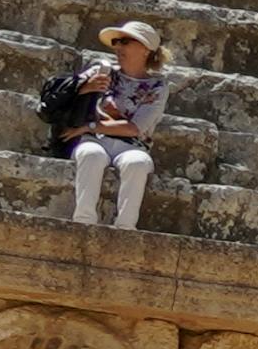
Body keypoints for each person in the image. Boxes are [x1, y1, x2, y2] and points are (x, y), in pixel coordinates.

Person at [47, 19, 171, 230]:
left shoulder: (158, 85)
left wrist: (90, 126)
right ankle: (83, 223)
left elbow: (134, 128)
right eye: (116, 42)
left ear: (145, 49)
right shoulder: (101, 71)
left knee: (137, 164)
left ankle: (125, 228)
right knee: (90, 155)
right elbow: (65, 94)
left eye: (125, 41)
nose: (118, 47)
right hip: (95, 140)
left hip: (131, 145)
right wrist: (85, 88)